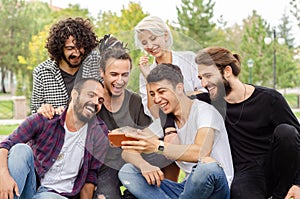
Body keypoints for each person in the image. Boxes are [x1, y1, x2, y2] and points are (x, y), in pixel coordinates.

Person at [195, 46, 300, 199]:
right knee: (239, 193)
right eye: (200, 78)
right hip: (246, 172)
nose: (204, 83)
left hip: (279, 168)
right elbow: (175, 101)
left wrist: (298, 184)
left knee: (286, 132)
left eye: (208, 76)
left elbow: (297, 142)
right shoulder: (209, 102)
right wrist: (169, 129)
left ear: (227, 72)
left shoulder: (270, 99)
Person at [118, 63, 234, 199]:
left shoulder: (205, 112)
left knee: (207, 167)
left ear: (179, 88)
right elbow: (128, 152)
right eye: (152, 94)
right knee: (128, 171)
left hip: (214, 187)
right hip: (186, 189)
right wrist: (144, 165)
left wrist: (157, 146)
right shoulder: (166, 121)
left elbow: (201, 152)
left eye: (161, 92)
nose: (156, 99)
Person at [0, 78, 109, 199]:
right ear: (75, 94)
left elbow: (90, 175)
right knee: (20, 150)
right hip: (30, 187)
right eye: (91, 95)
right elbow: (5, 145)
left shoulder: (99, 133)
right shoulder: (46, 119)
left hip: (58, 195)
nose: (95, 102)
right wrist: (3, 176)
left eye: (100, 100)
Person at [94, 35, 174, 199]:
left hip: (134, 159)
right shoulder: (93, 100)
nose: (120, 80)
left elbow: (148, 134)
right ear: (102, 73)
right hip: (106, 165)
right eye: (114, 74)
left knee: (168, 153)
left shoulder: (134, 101)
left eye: (125, 75)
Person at [134, 15, 204, 119]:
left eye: (153, 38)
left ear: (165, 35)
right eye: (144, 43)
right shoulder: (146, 72)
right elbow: (154, 114)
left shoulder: (189, 59)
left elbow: (205, 92)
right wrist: (149, 78)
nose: (150, 46)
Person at [31, 17, 99, 114]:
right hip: (57, 128)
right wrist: (45, 111)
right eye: (70, 48)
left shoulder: (95, 65)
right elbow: (35, 111)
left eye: (80, 47)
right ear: (59, 48)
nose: (77, 53)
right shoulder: (42, 72)